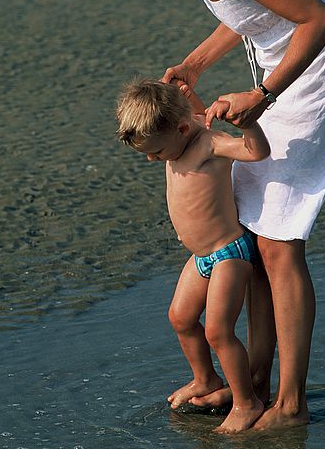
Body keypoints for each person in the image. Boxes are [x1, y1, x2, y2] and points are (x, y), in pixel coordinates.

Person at [93, 0, 325, 429]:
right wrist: (194, 63)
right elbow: (253, 14)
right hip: (278, 78)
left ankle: (291, 404)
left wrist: (261, 94)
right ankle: (255, 388)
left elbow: (319, 19)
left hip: (311, 85)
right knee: (257, 239)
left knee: (279, 246)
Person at [115, 77, 270, 433]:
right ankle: (206, 379)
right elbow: (199, 115)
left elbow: (255, 152)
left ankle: (248, 403)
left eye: (156, 151)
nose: (153, 158)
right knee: (181, 318)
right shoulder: (185, 132)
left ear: (182, 128)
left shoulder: (209, 144)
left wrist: (249, 123)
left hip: (229, 253)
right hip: (200, 257)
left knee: (218, 331)